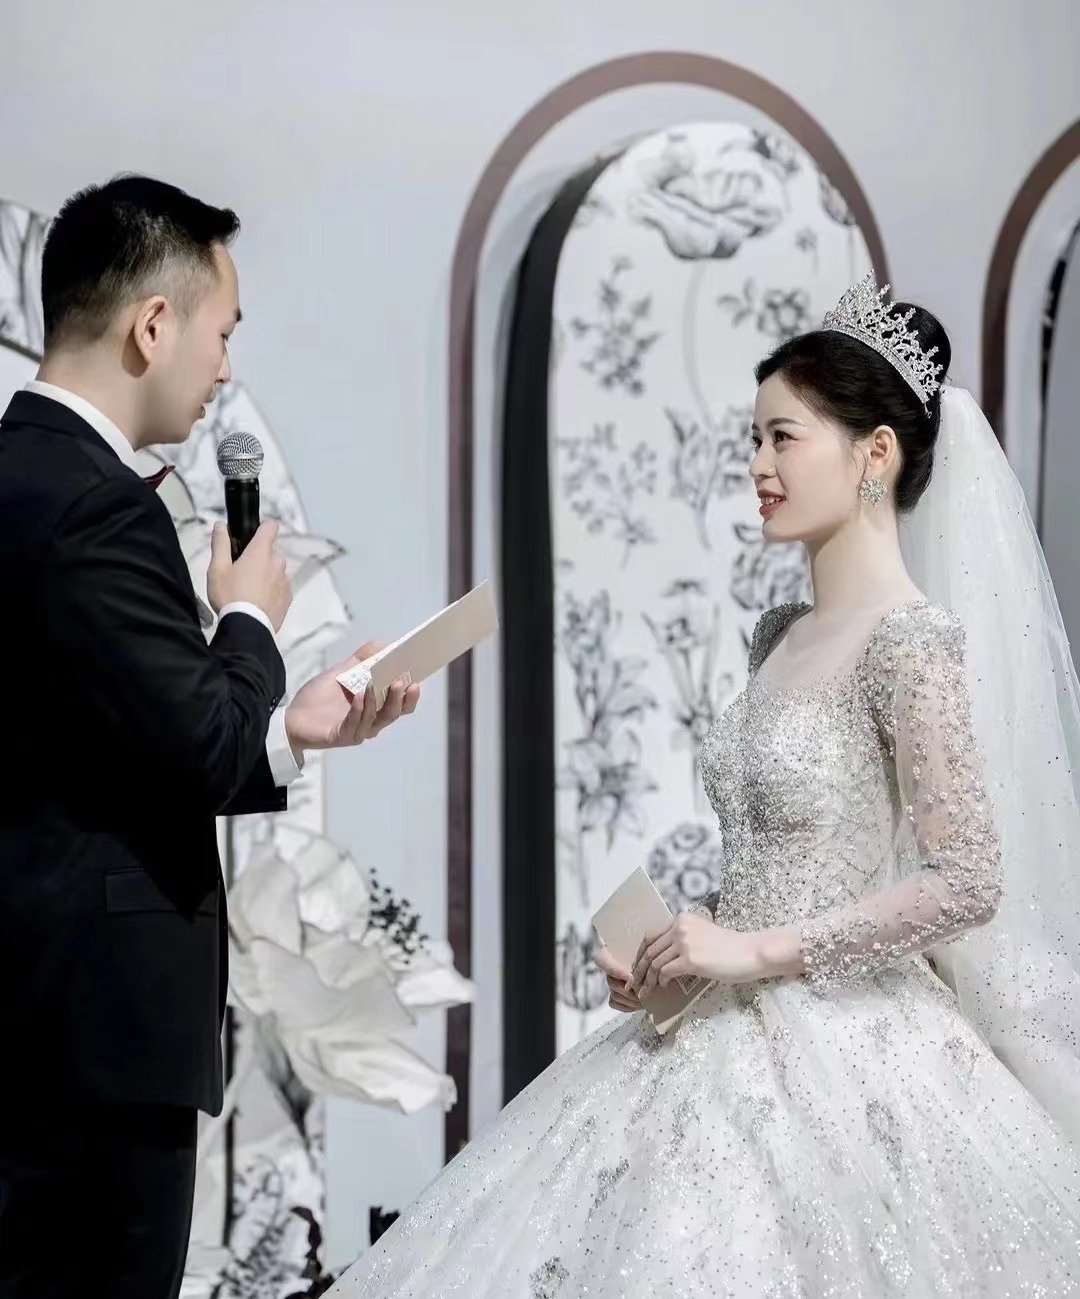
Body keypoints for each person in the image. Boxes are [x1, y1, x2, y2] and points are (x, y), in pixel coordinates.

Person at [327, 277, 1080, 1297]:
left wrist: (758, 949)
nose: (758, 466)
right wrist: (680, 954)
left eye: (783, 438)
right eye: (754, 440)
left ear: (875, 455)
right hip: (712, 1017)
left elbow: (966, 879)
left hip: (854, 1048)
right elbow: (788, 852)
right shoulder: (782, 635)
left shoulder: (911, 644)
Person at [0, 175, 419, 1299]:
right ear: (153, 325)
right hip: (90, 1043)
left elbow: (110, 744)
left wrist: (287, 727)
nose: (225, 368)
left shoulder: (22, 476)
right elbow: (203, 748)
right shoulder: (96, 504)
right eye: (222, 333)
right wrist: (248, 616)